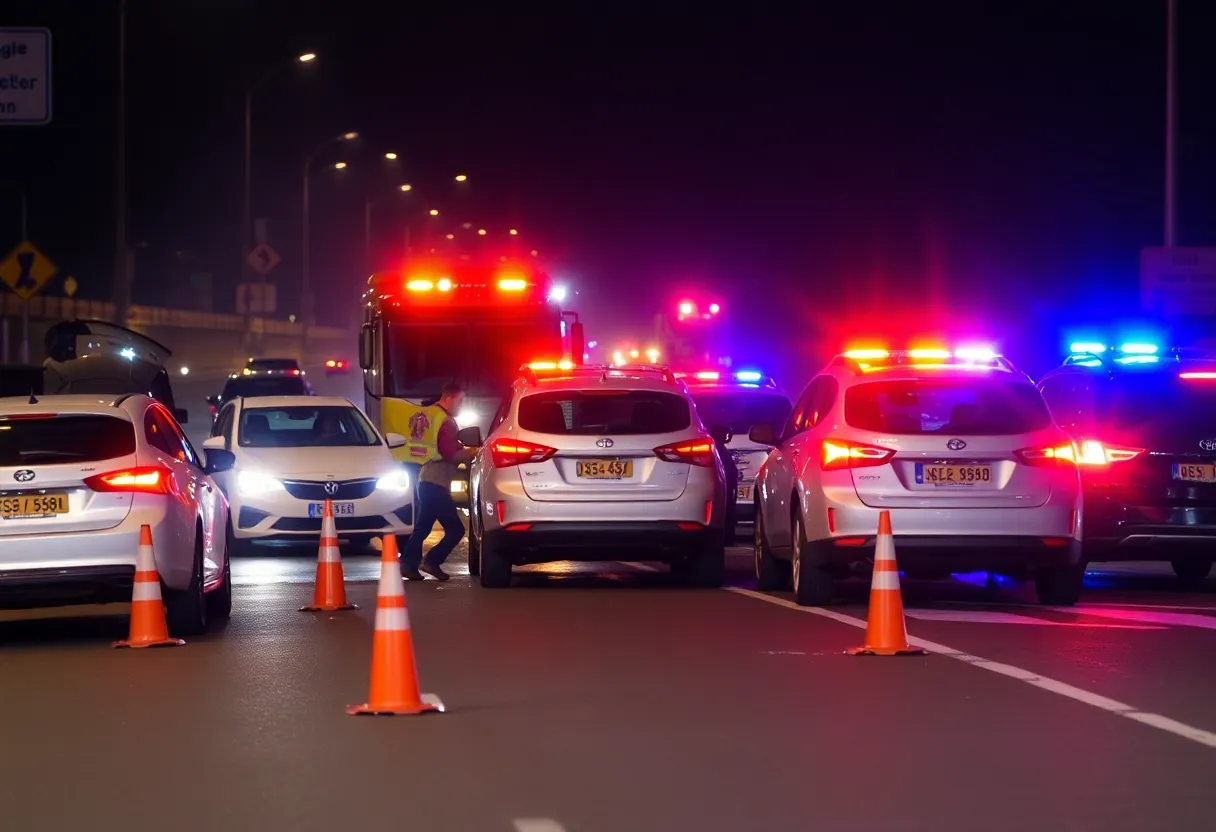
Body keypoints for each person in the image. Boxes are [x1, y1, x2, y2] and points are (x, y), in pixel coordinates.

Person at [401, 382, 472, 581]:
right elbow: (450, 454)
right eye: (461, 400)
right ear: (450, 398)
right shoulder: (446, 421)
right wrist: (471, 453)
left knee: (423, 528)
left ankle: (408, 565)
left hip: (424, 479)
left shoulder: (427, 415)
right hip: (436, 482)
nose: (461, 405)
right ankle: (431, 561)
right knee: (456, 529)